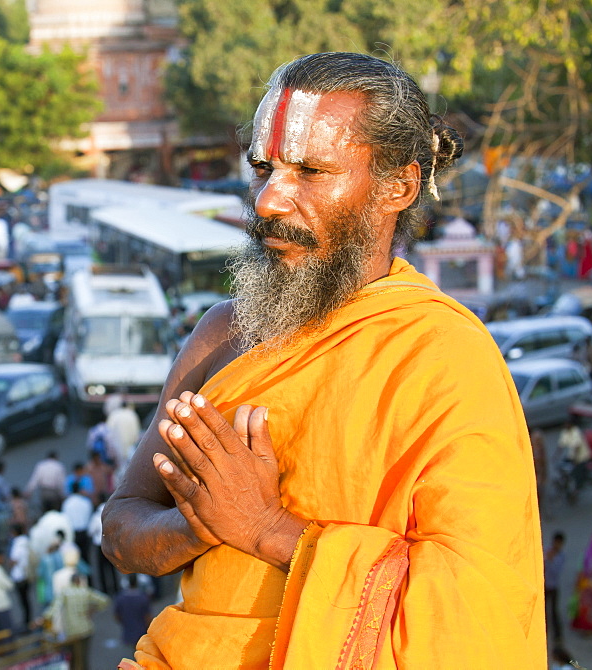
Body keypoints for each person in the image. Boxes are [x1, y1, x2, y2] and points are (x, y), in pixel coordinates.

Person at [103, 52, 544, 667]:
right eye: (262, 169)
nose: (268, 203)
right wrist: (201, 523)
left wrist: (264, 529)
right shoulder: (221, 334)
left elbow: (473, 604)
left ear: (399, 186)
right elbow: (123, 526)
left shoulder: (444, 357)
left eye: (309, 171)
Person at [40, 572, 110, 670]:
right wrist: (93, 610)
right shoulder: (85, 591)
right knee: (83, 659)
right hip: (86, 629)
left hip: (72, 631)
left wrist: (43, 619)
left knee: (72, 659)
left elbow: (53, 609)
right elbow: (105, 600)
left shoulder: (65, 593)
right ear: (79, 582)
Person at [88, 495, 118, 596]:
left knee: (101, 569)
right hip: (111, 543)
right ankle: (115, 588)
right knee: (112, 568)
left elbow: (90, 531)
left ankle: (105, 590)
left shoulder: (96, 516)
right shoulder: (112, 513)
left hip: (100, 545)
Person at [113, 574, 152, 649]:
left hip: (128, 630)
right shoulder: (143, 598)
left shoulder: (120, 598)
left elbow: (117, 616)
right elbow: (148, 617)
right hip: (141, 630)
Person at [61, 482, 94, 567]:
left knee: (74, 559)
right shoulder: (86, 502)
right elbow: (90, 516)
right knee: (86, 558)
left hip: (73, 533)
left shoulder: (67, 503)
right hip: (84, 533)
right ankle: (88, 578)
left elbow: (65, 518)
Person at [8, 523, 33, 628]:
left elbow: (14, 559)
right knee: (26, 599)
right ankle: (28, 619)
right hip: (26, 574)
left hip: (20, 576)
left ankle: (27, 622)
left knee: (23, 600)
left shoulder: (18, 544)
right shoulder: (26, 541)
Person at [557, 417, 592, 492]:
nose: (565, 425)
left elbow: (577, 447)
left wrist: (575, 460)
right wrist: (556, 456)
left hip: (581, 457)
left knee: (577, 473)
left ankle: (577, 489)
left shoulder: (576, 432)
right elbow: (561, 445)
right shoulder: (565, 432)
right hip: (572, 456)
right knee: (562, 465)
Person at [545, 531, 567, 644]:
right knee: (544, 611)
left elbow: (556, 571)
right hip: (545, 586)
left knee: (554, 612)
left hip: (553, 587)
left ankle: (557, 635)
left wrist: (551, 560)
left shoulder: (561, 556)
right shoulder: (547, 550)